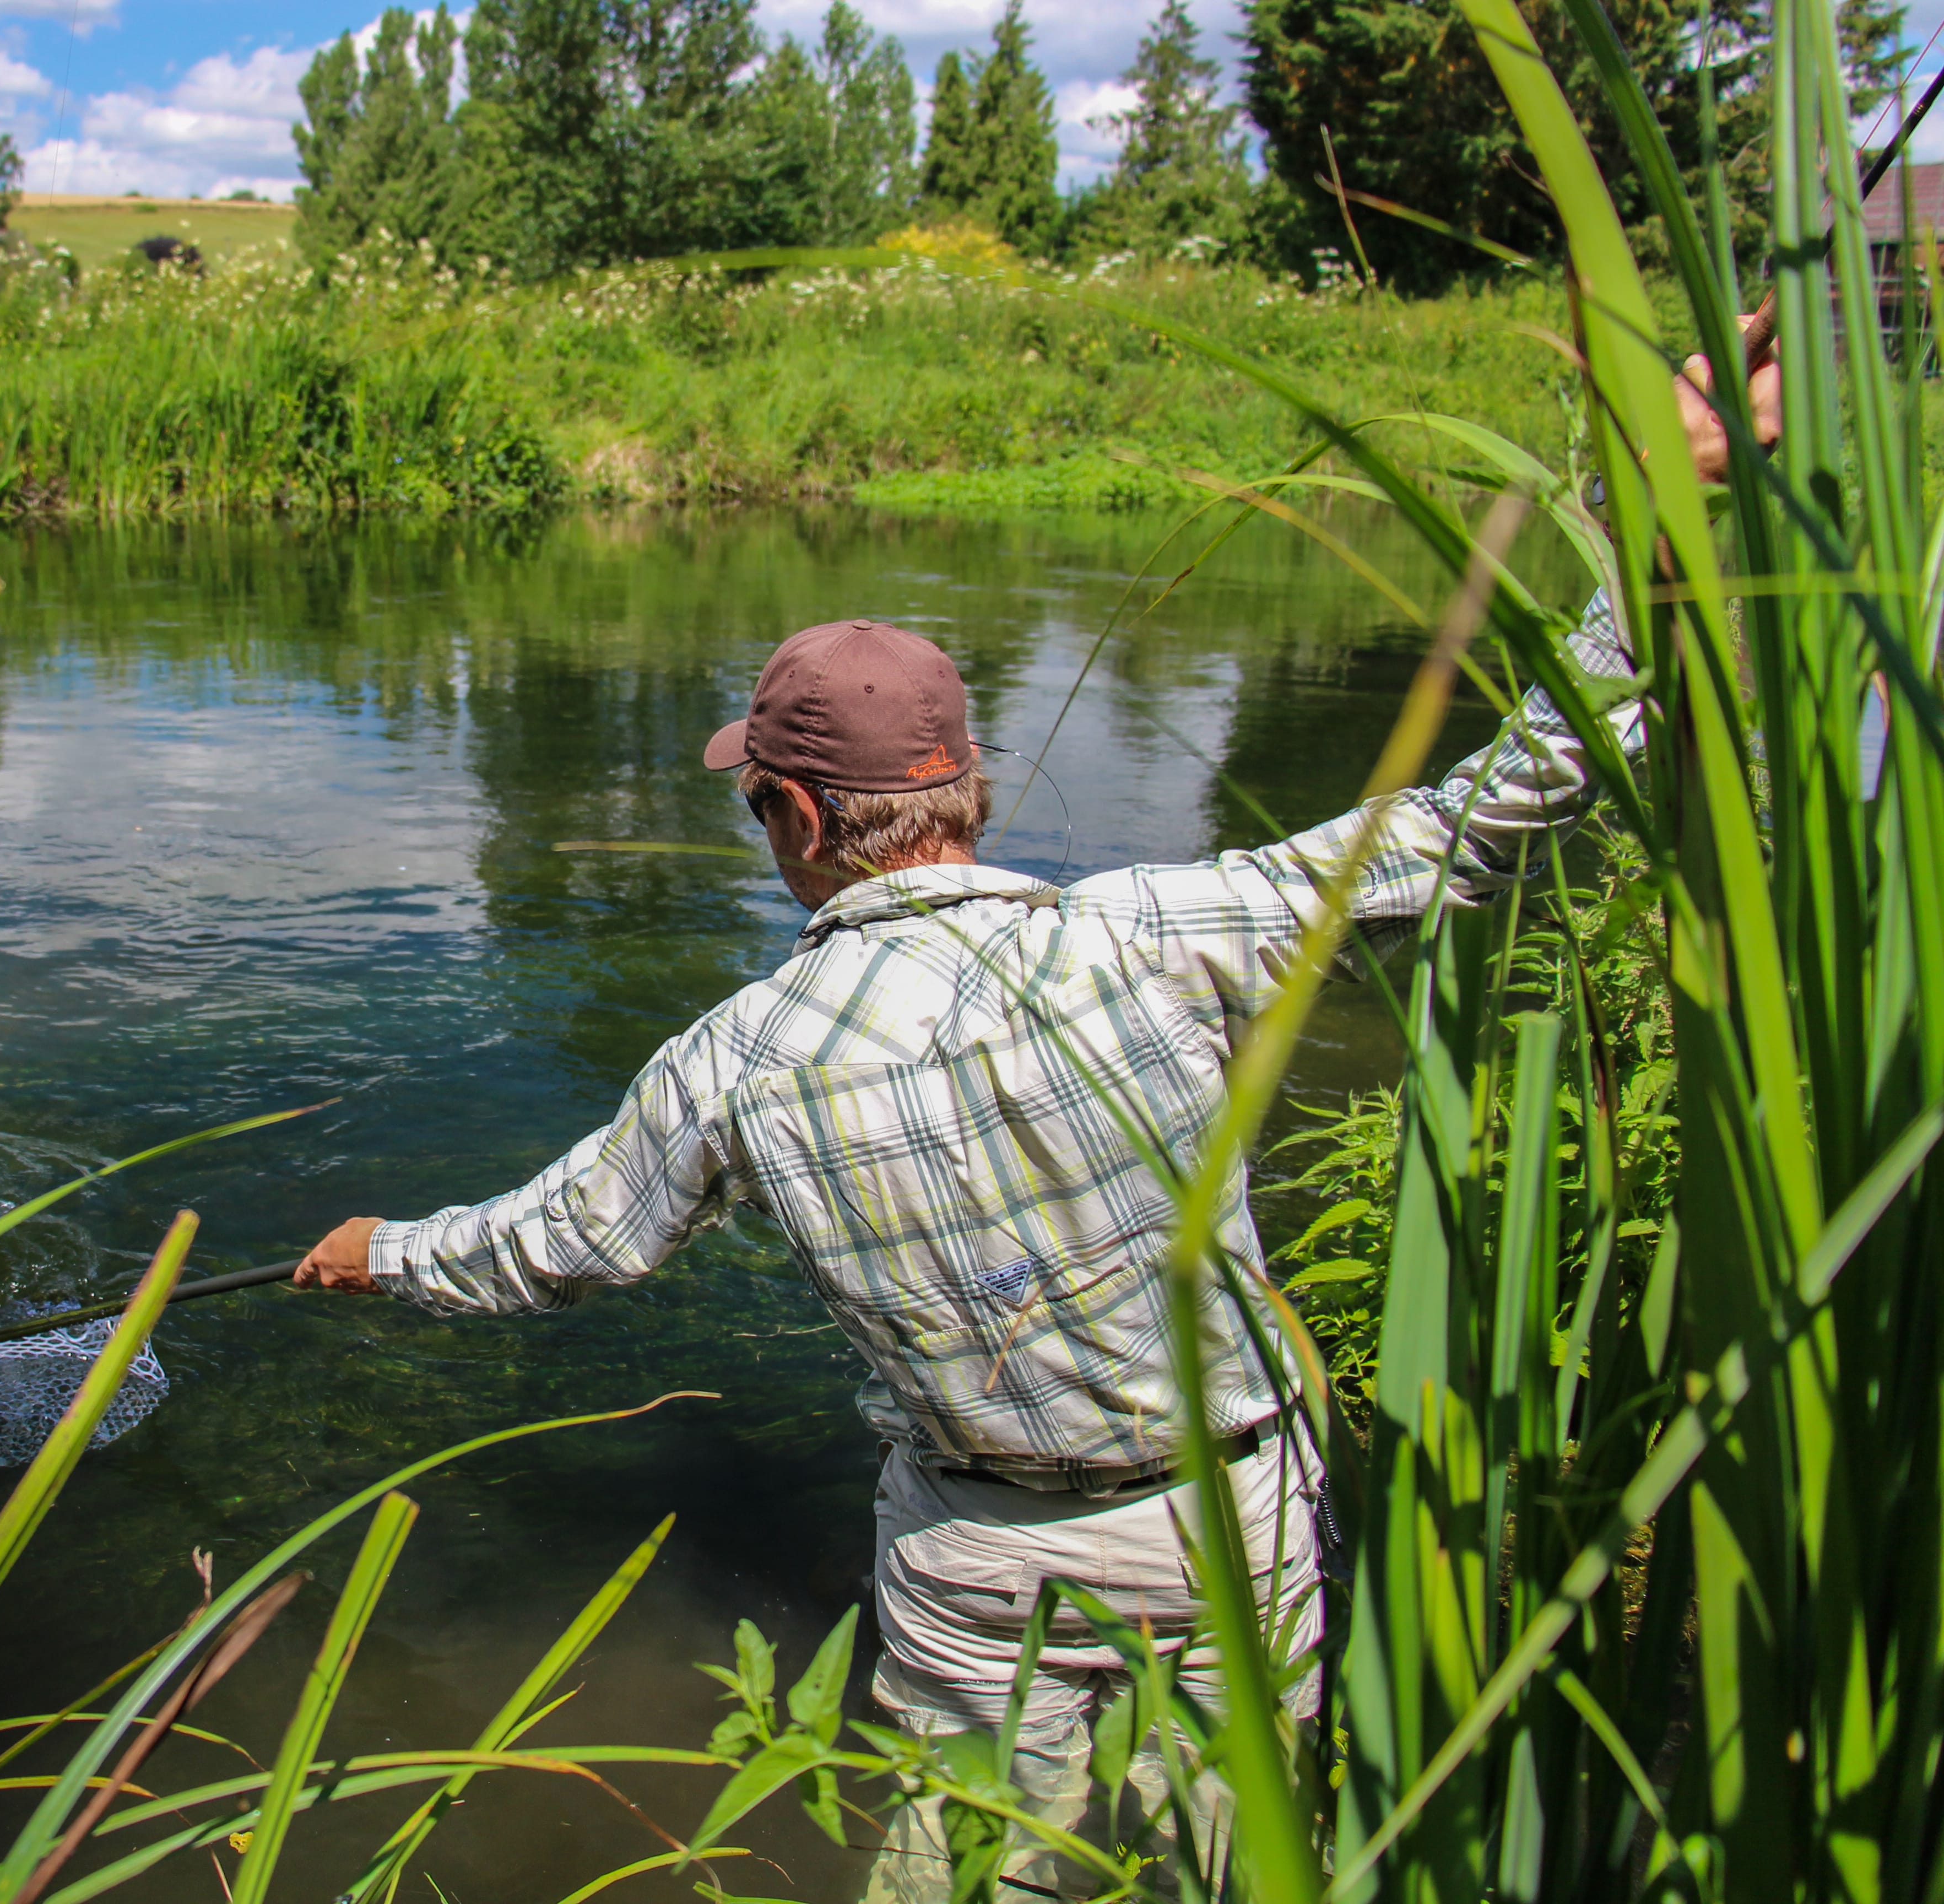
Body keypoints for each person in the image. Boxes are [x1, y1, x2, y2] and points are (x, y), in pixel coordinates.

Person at [291, 364, 1775, 1899]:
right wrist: (1646, 530)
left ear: (798, 818)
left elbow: (559, 1247)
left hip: (968, 1557)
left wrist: (379, 1255)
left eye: (763, 809)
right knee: (1236, 1870)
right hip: (1227, 1529)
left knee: (956, 1874)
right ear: (968, 785)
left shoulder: (732, 1061)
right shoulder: (1164, 932)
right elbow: (1502, 807)